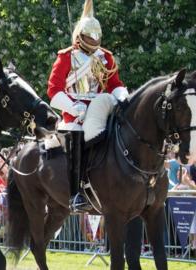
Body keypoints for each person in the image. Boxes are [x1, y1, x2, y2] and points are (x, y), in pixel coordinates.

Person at [47, 0, 129, 212]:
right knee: (77, 134)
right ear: (80, 36)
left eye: (96, 38)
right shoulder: (67, 57)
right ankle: (77, 194)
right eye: (89, 37)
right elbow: (54, 91)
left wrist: (123, 98)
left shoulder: (105, 57)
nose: (93, 42)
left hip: (101, 109)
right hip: (75, 113)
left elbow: (115, 84)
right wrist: (74, 108)